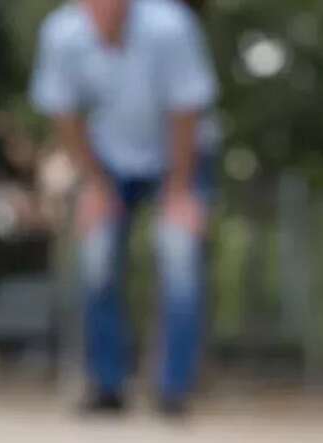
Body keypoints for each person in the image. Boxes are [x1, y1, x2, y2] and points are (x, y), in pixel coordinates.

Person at [31, 0, 219, 417]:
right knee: (97, 262)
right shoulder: (61, 34)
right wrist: (94, 184)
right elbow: (64, 114)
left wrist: (180, 190)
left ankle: (174, 388)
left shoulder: (171, 27)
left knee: (179, 258)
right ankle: (107, 384)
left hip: (180, 155)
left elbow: (187, 111)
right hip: (107, 159)